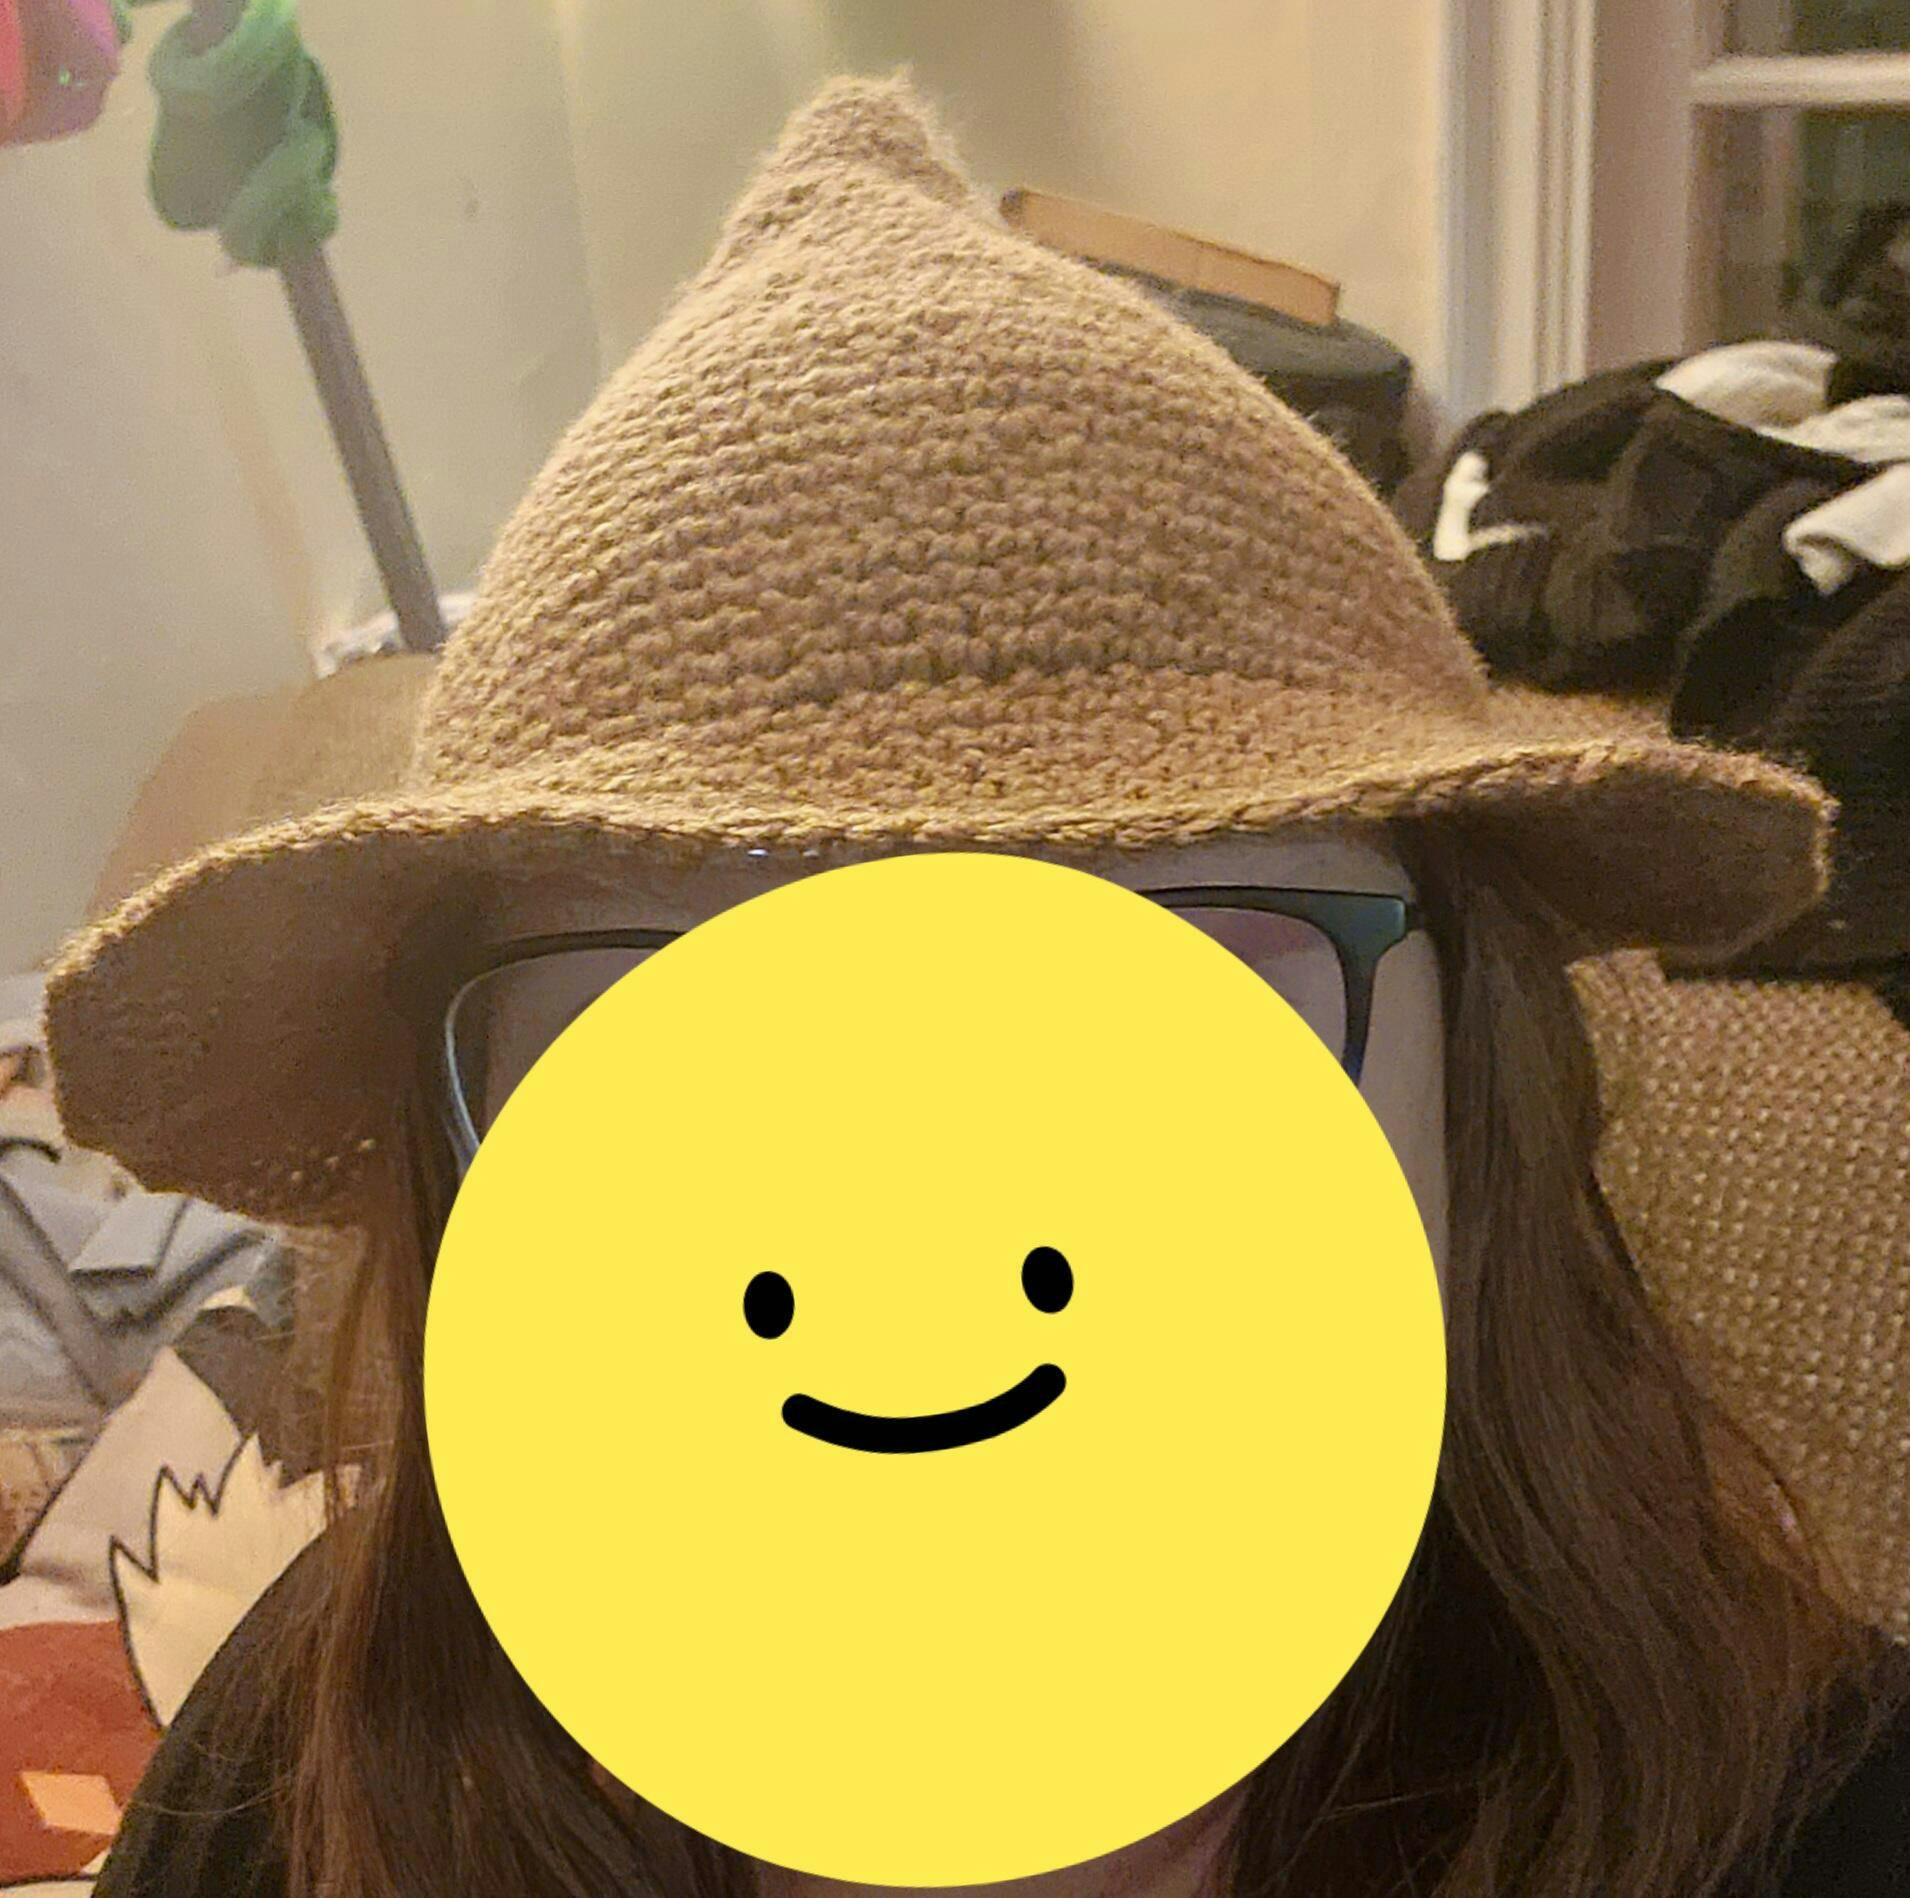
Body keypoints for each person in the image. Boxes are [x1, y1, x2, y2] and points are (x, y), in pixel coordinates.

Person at [48, 73, 1910, 1898]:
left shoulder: (1810, 1812)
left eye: (1161, 1005)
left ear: (1475, 1076)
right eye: (693, 1038)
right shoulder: (307, 1771)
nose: (925, 1225)